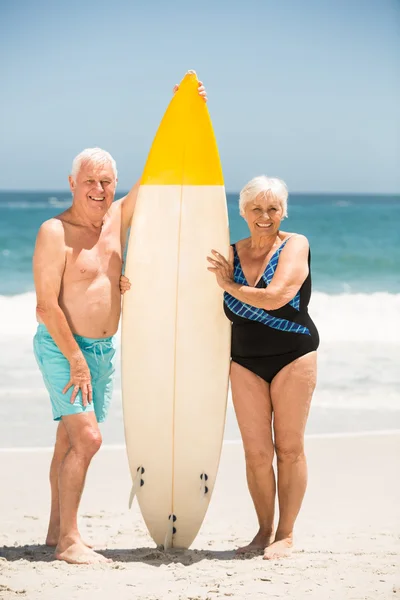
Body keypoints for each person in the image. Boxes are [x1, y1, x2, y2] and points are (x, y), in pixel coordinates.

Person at [32, 76, 207, 565]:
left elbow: (152, 177)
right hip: (63, 347)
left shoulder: (116, 219)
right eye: (89, 180)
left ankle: (52, 530)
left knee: (68, 439)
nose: (99, 188)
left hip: (104, 352)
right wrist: (75, 359)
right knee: (88, 439)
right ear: (72, 183)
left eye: (106, 181)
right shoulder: (55, 232)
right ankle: (70, 542)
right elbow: (46, 306)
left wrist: (181, 111)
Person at [206, 176, 319, 559]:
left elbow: (276, 297)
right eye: (256, 208)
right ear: (243, 212)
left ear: (283, 211)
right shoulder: (229, 253)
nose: (265, 216)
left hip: (294, 356)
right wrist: (128, 284)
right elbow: (179, 285)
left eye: (273, 208)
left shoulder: (295, 244)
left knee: (289, 449)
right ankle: (263, 531)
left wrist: (228, 285)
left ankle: (286, 534)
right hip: (246, 361)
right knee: (256, 453)